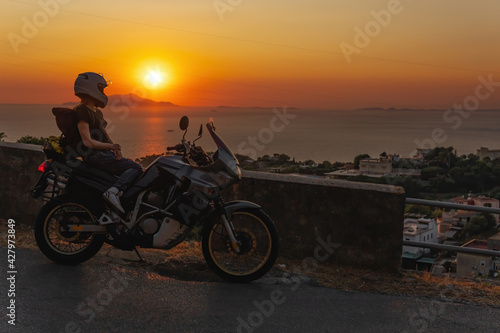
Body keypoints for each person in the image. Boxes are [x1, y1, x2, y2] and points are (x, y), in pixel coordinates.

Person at [73, 72, 142, 214]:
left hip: (102, 154)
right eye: (101, 89)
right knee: (136, 168)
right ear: (91, 88)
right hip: (94, 156)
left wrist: (114, 148)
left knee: (130, 166)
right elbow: (87, 141)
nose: (103, 92)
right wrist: (111, 146)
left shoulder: (96, 112)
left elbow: (103, 135)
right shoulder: (81, 111)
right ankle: (114, 192)